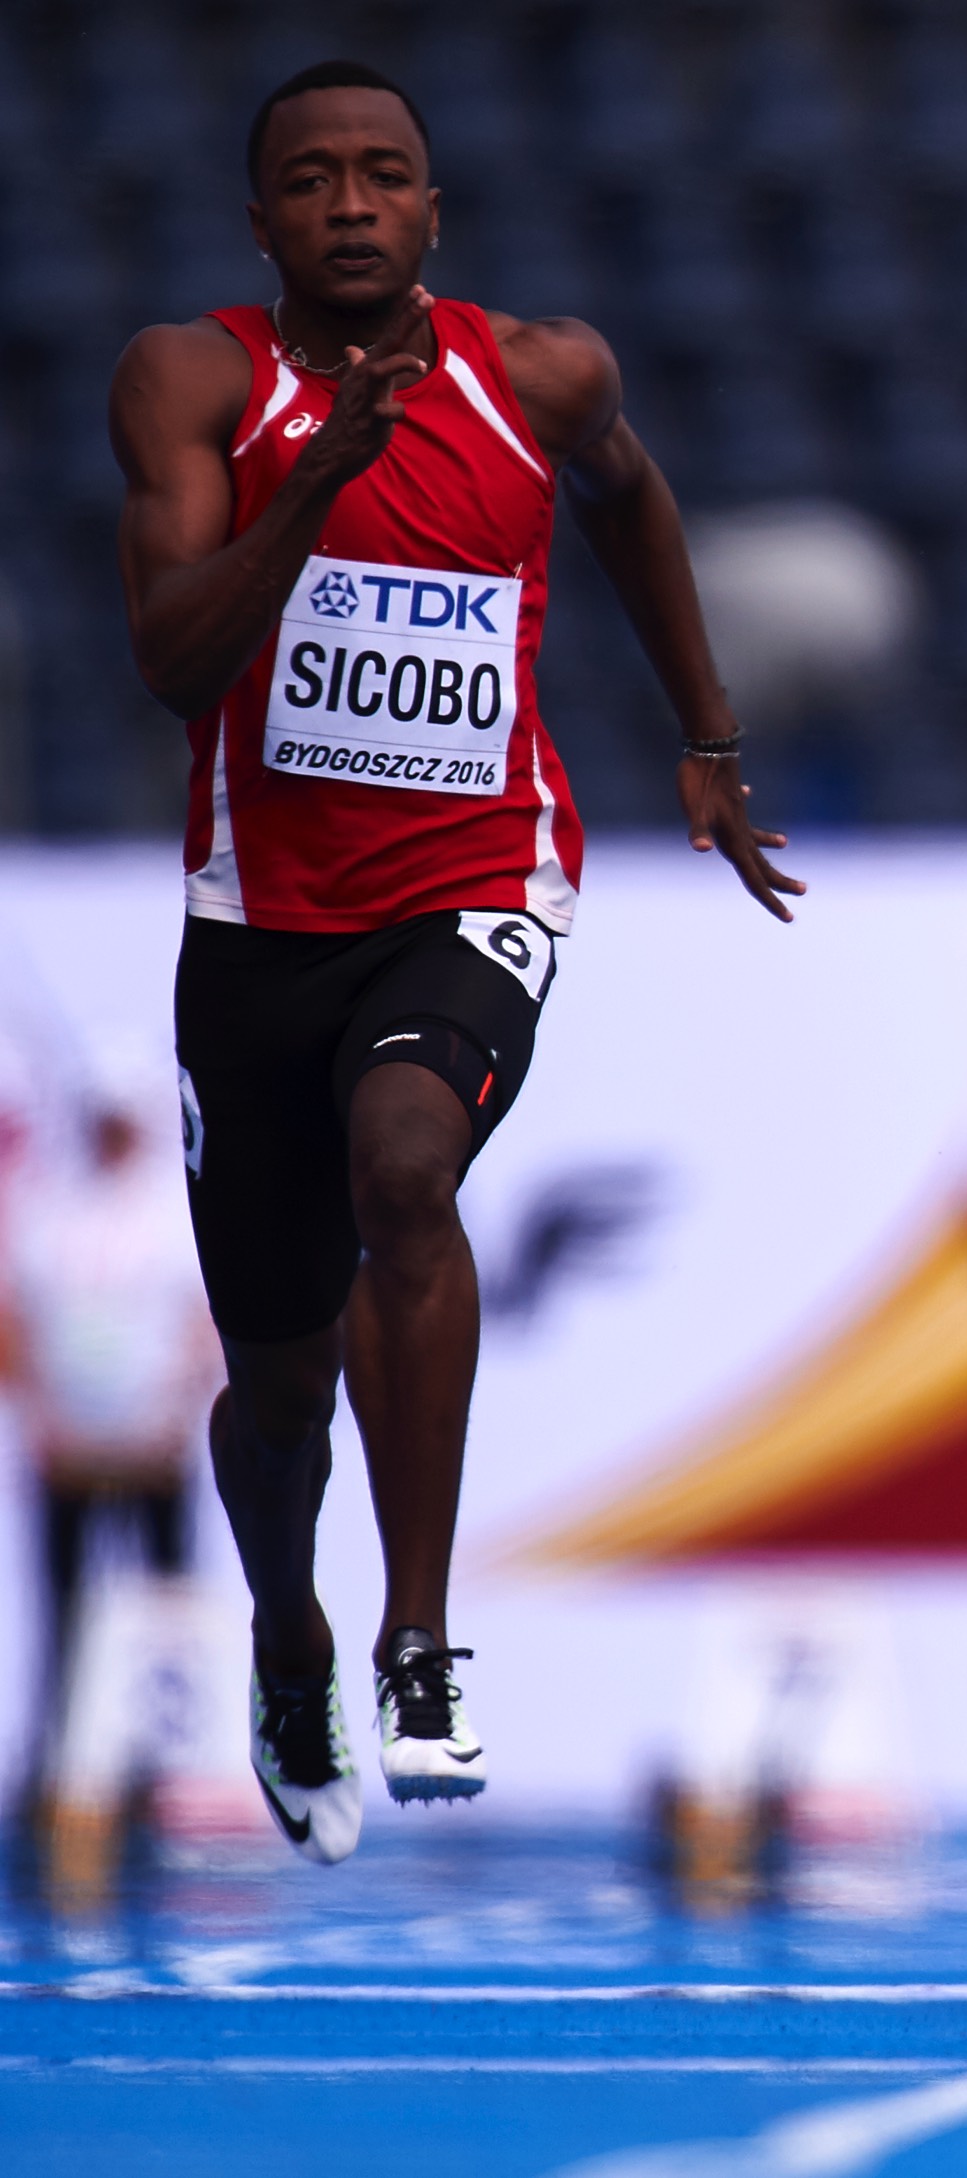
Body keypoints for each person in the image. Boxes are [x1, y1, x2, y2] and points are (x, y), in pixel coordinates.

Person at [109, 61, 801, 1865]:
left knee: (407, 1169)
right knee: (271, 1397)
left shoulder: (540, 372)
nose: (351, 203)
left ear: (435, 214)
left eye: (386, 176)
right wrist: (313, 485)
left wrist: (708, 740)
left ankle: (419, 1636)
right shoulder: (194, 381)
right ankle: (293, 1630)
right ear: (261, 222)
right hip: (259, 929)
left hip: (478, 880)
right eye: (313, 181)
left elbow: (636, 504)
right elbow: (175, 660)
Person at [3, 1050, 218, 1804]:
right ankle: (59, 1765)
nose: (110, 1131)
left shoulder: (175, 1215)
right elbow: (17, 1324)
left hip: (154, 1447)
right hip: (66, 1446)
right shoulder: (49, 1209)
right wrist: (39, 1415)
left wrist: (173, 1416)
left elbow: (204, 1330)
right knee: (64, 1607)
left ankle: (160, 1772)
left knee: (162, 1609)